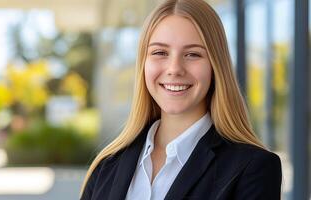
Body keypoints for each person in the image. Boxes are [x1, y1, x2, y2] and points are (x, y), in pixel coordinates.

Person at [80, 0, 282, 199]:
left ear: (215, 65)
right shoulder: (106, 167)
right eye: (160, 52)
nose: (174, 69)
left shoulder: (253, 169)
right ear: (143, 64)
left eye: (193, 54)